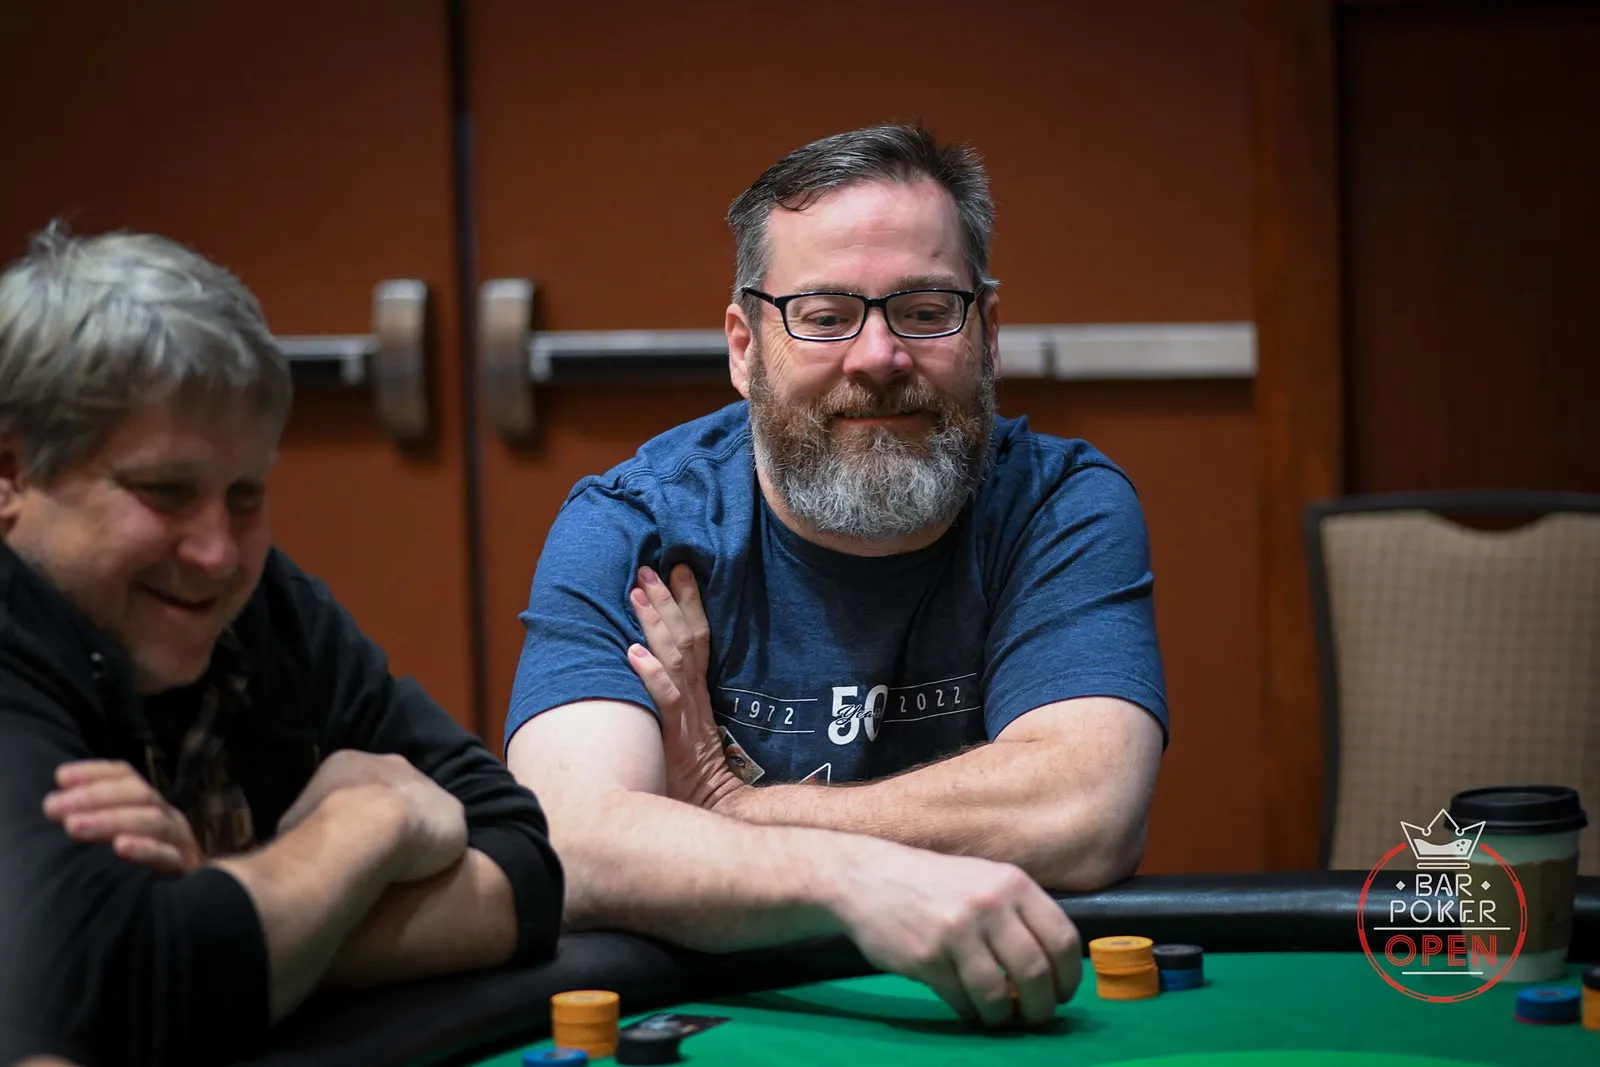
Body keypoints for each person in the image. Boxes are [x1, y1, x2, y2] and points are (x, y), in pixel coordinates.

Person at [505, 124, 1167, 1028]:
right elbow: (571, 839)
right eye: (824, 316)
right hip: (745, 1019)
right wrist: (853, 878)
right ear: (744, 347)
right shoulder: (634, 527)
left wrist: (726, 807)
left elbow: (1084, 809)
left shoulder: (1060, 503)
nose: (879, 356)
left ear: (989, 333)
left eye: (926, 310)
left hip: (1007, 1011)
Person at [0, 226, 564, 1067]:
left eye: (245, 494)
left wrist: (224, 909)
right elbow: (97, 995)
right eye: (165, 491)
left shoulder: (257, 603)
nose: (217, 553)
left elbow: (523, 868)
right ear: (11, 473)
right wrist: (365, 826)